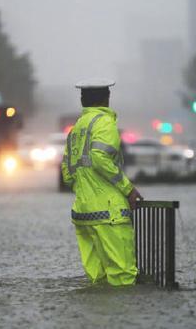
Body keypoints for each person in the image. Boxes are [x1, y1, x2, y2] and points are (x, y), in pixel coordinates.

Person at [61, 78, 143, 286]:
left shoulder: (76, 129)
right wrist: (128, 189)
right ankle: (123, 319)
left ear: (82, 101)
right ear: (107, 98)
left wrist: (85, 190)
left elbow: (67, 174)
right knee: (123, 277)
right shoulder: (105, 123)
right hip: (110, 214)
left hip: (83, 214)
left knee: (98, 280)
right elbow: (99, 157)